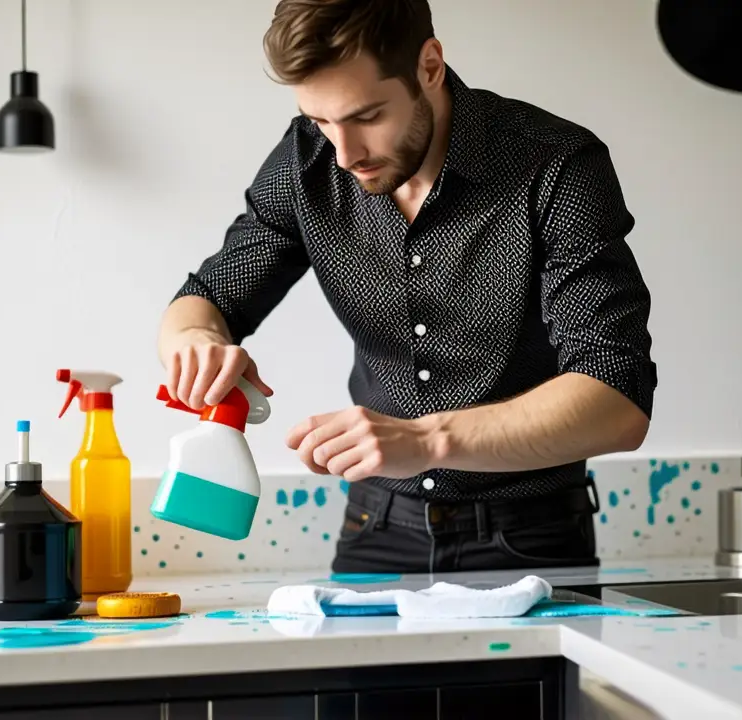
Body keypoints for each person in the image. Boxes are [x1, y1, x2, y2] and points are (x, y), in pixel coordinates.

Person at [158, 0, 658, 574]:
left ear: (430, 65)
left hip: (529, 539)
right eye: (320, 120)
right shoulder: (307, 160)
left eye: (367, 116)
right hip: (374, 528)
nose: (344, 154)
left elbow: (619, 401)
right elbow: (207, 297)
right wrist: (196, 341)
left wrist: (427, 440)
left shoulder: (556, 164)